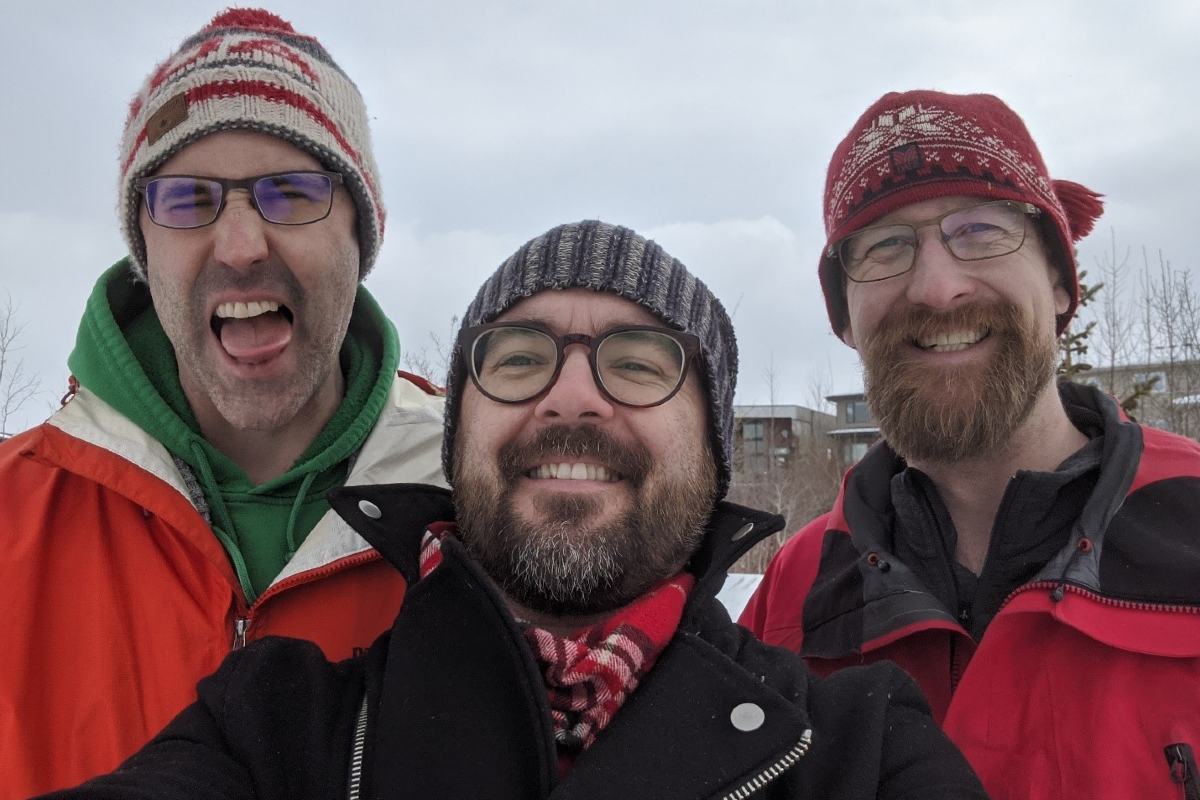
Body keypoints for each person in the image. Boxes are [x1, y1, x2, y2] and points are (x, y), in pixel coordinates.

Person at [41, 220, 988, 800]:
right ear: (457, 444)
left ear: (711, 450)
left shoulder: (856, 752)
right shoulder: (277, 728)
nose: (572, 398)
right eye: (520, 358)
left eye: (640, 363)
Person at [0, 9, 445, 796]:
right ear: (145, 245)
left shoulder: (483, 513)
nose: (241, 246)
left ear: (360, 232)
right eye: (187, 199)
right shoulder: (12, 517)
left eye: (290, 191)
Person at [740, 89, 1200, 800]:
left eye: (981, 229)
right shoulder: (791, 597)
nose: (937, 287)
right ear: (845, 320)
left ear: (1057, 282)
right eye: (886, 245)